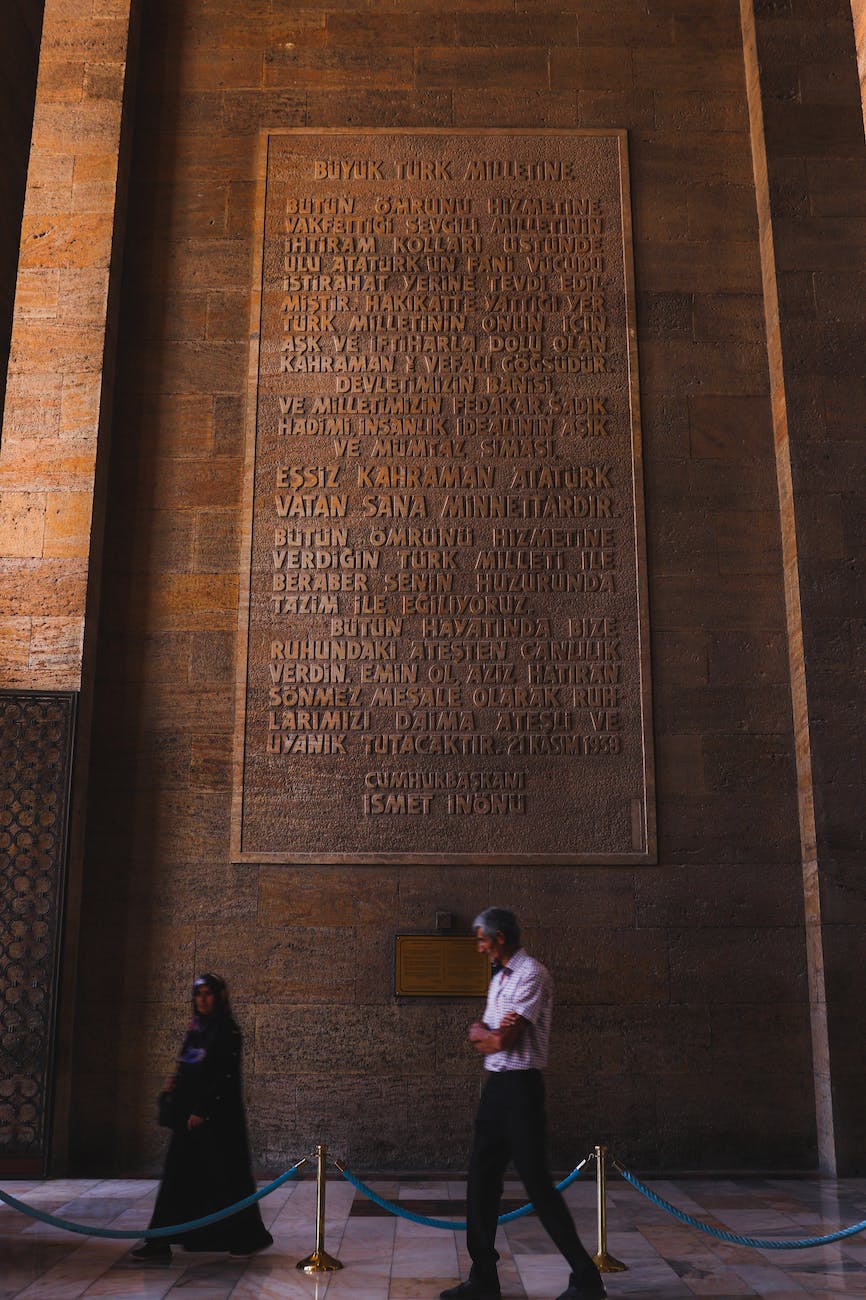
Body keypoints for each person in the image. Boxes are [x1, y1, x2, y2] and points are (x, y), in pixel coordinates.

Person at [440, 908, 606, 1300]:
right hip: (496, 1086)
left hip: (521, 1091)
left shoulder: (532, 974)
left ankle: (586, 1277)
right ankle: (484, 1277)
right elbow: (485, 1035)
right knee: (481, 1179)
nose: (479, 948)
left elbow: (502, 1040)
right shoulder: (499, 979)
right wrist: (487, 1035)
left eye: (482, 940)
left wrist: (486, 1034)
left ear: (498, 937)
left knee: (537, 1185)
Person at [131, 973, 273, 1261]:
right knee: (178, 1180)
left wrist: (202, 1109)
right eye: (198, 994)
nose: (203, 999)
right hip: (190, 1118)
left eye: (208, 993)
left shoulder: (226, 1030)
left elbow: (223, 1076)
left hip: (215, 1121)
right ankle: (160, 1241)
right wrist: (176, 1085)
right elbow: (190, 1065)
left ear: (219, 997)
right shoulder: (197, 1028)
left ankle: (246, 1236)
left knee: (225, 1180)